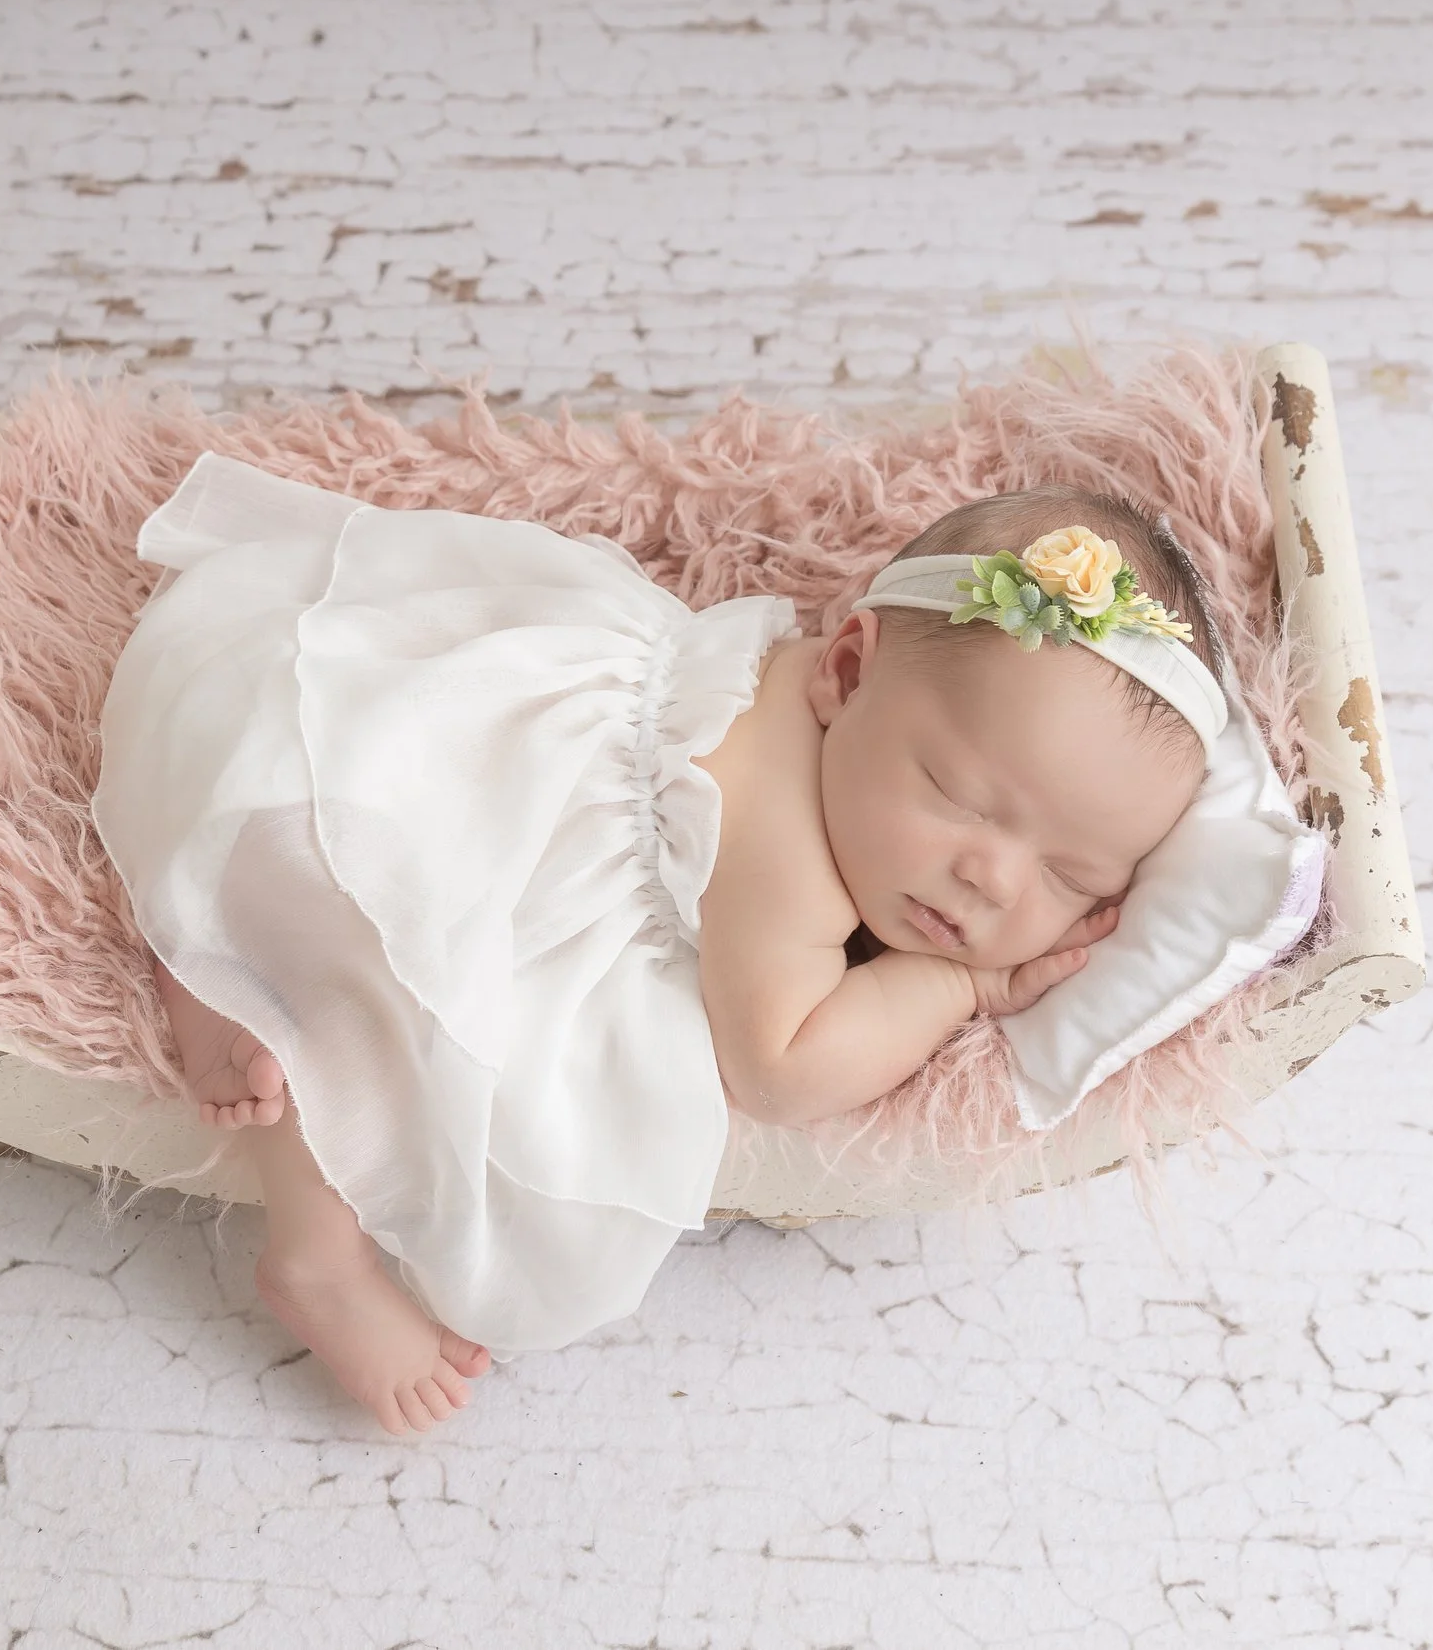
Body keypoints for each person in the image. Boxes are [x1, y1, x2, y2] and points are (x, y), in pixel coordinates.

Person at [92, 454, 1219, 1435]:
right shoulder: (785, 859)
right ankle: (318, 1255)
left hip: (356, 696)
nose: (991, 877)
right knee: (394, 1010)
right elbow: (779, 1068)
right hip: (379, 828)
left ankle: (211, 953)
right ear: (846, 672)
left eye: (1073, 877)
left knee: (302, 901)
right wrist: (954, 983)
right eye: (956, 793)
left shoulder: (806, 697)